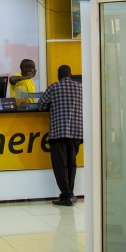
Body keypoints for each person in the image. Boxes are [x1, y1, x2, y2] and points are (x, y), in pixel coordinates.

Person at [36, 65, 83, 206]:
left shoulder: (53, 87)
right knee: (71, 164)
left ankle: (66, 195)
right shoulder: (80, 87)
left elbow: (41, 106)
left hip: (58, 132)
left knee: (60, 164)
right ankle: (69, 194)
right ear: (71, 74)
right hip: (76, 131)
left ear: (58, 76)